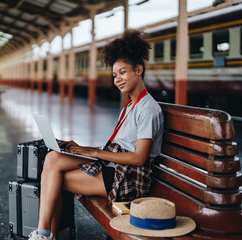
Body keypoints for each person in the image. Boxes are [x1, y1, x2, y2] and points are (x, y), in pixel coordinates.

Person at [28, 29, 164, 240]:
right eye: (114, 75)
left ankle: (45, 235)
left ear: (138, 70)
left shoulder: (148, 108)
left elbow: (139, 158)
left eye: (123, 72)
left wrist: (93, 153)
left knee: (54, 178)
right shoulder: (130, 105)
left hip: (128, 178)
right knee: (53, 157)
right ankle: (45, 233)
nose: (117, 79)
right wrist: (84, 149)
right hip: (114, 168)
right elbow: (119, 145)